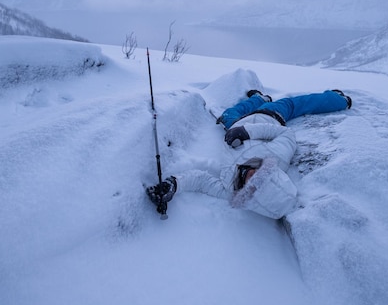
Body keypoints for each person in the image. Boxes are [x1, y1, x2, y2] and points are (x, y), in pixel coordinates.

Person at [146, 89, 352, 219]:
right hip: (269, 116)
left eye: (253, 186)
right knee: (295, 103)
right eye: (262, 176)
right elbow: (285, 133)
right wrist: (248, 132)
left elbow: (201, 181)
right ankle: (337, 99)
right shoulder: (277, 156)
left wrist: (174, 184)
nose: (252, 175)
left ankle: (258, 97)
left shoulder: (231, 190)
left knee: (228, 114)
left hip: (233, 126)